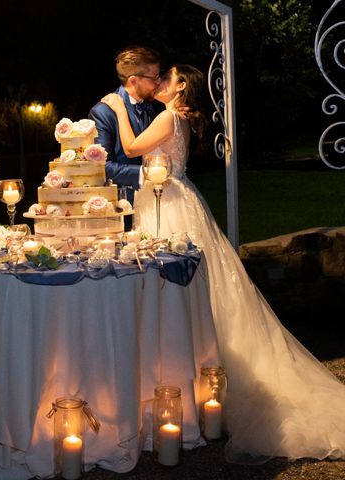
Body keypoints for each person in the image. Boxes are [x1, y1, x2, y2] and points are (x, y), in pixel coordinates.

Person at [101, 64, 345, 464]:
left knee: (176, 276)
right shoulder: (179, 118)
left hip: (169, 203)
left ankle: (188, 357)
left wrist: (118, 108)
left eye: (168, 78)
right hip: (170, 195)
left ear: (181, 88)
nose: (160, 82)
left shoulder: (167, 115)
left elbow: (129, 149)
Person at [88, 45, 163, 196]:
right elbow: (101, 166)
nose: (159, 81)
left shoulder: (155, 105)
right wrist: (145, 173)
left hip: (156, 198)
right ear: (134, 81)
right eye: (154, 77)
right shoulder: (103, 112)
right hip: (125, 201)